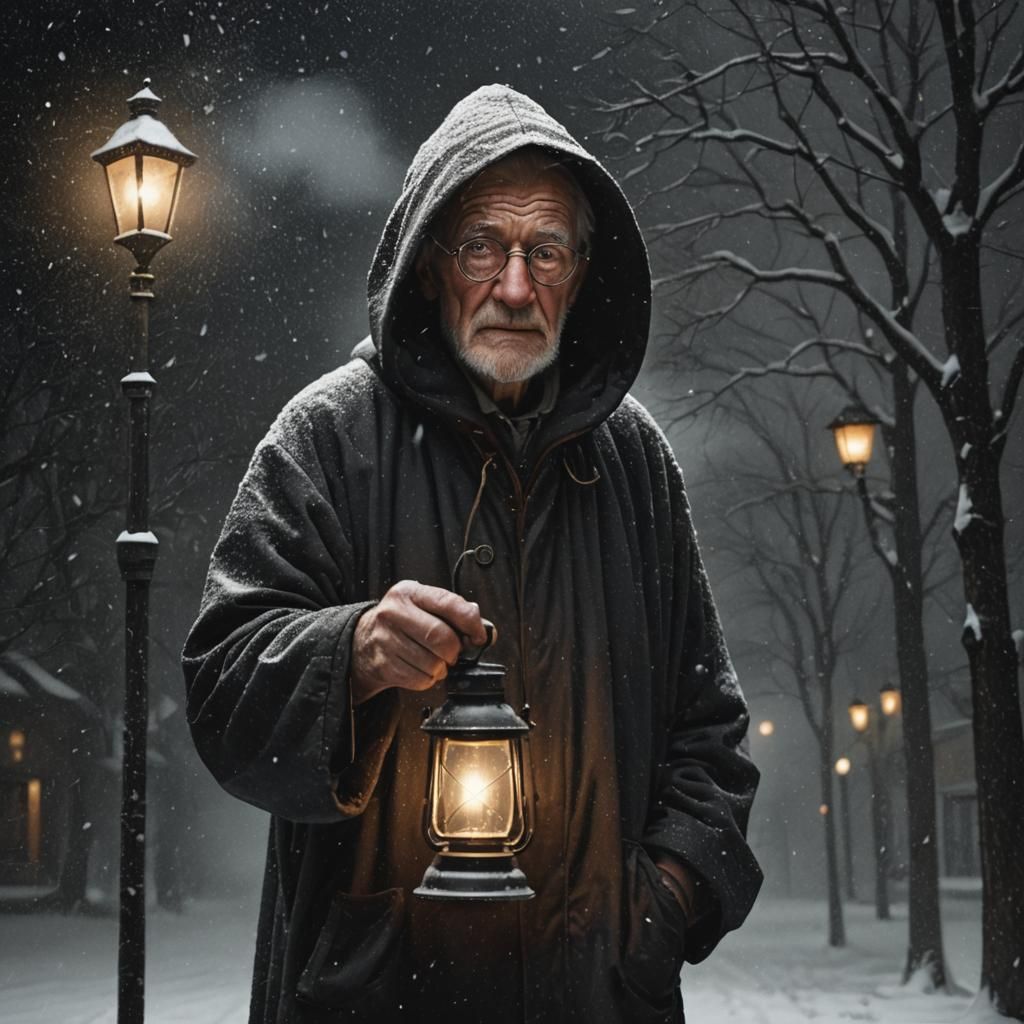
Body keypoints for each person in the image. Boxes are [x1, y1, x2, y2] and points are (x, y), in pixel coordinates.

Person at [183, 84, 762, 1024]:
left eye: (547, 252)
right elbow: (221, 692)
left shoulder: (635, 461)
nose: (516, 288)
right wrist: (353, 651)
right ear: (426, 266)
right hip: (375, 996)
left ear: (583, 276)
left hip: (598, 997)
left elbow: (712, 740)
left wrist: (658, 908)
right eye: (483, 247)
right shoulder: (328, 437)